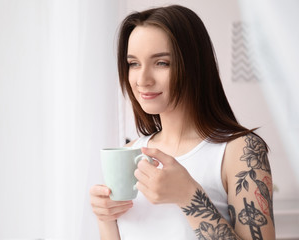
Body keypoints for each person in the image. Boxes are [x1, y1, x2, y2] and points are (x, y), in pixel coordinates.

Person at [90, 5, 275, 240]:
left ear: (194, 65)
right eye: (134, 63)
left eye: (161, 63)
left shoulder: (240, 151)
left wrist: (188, 196)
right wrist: (105, 219)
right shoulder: (128, 154)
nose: (142, 79)